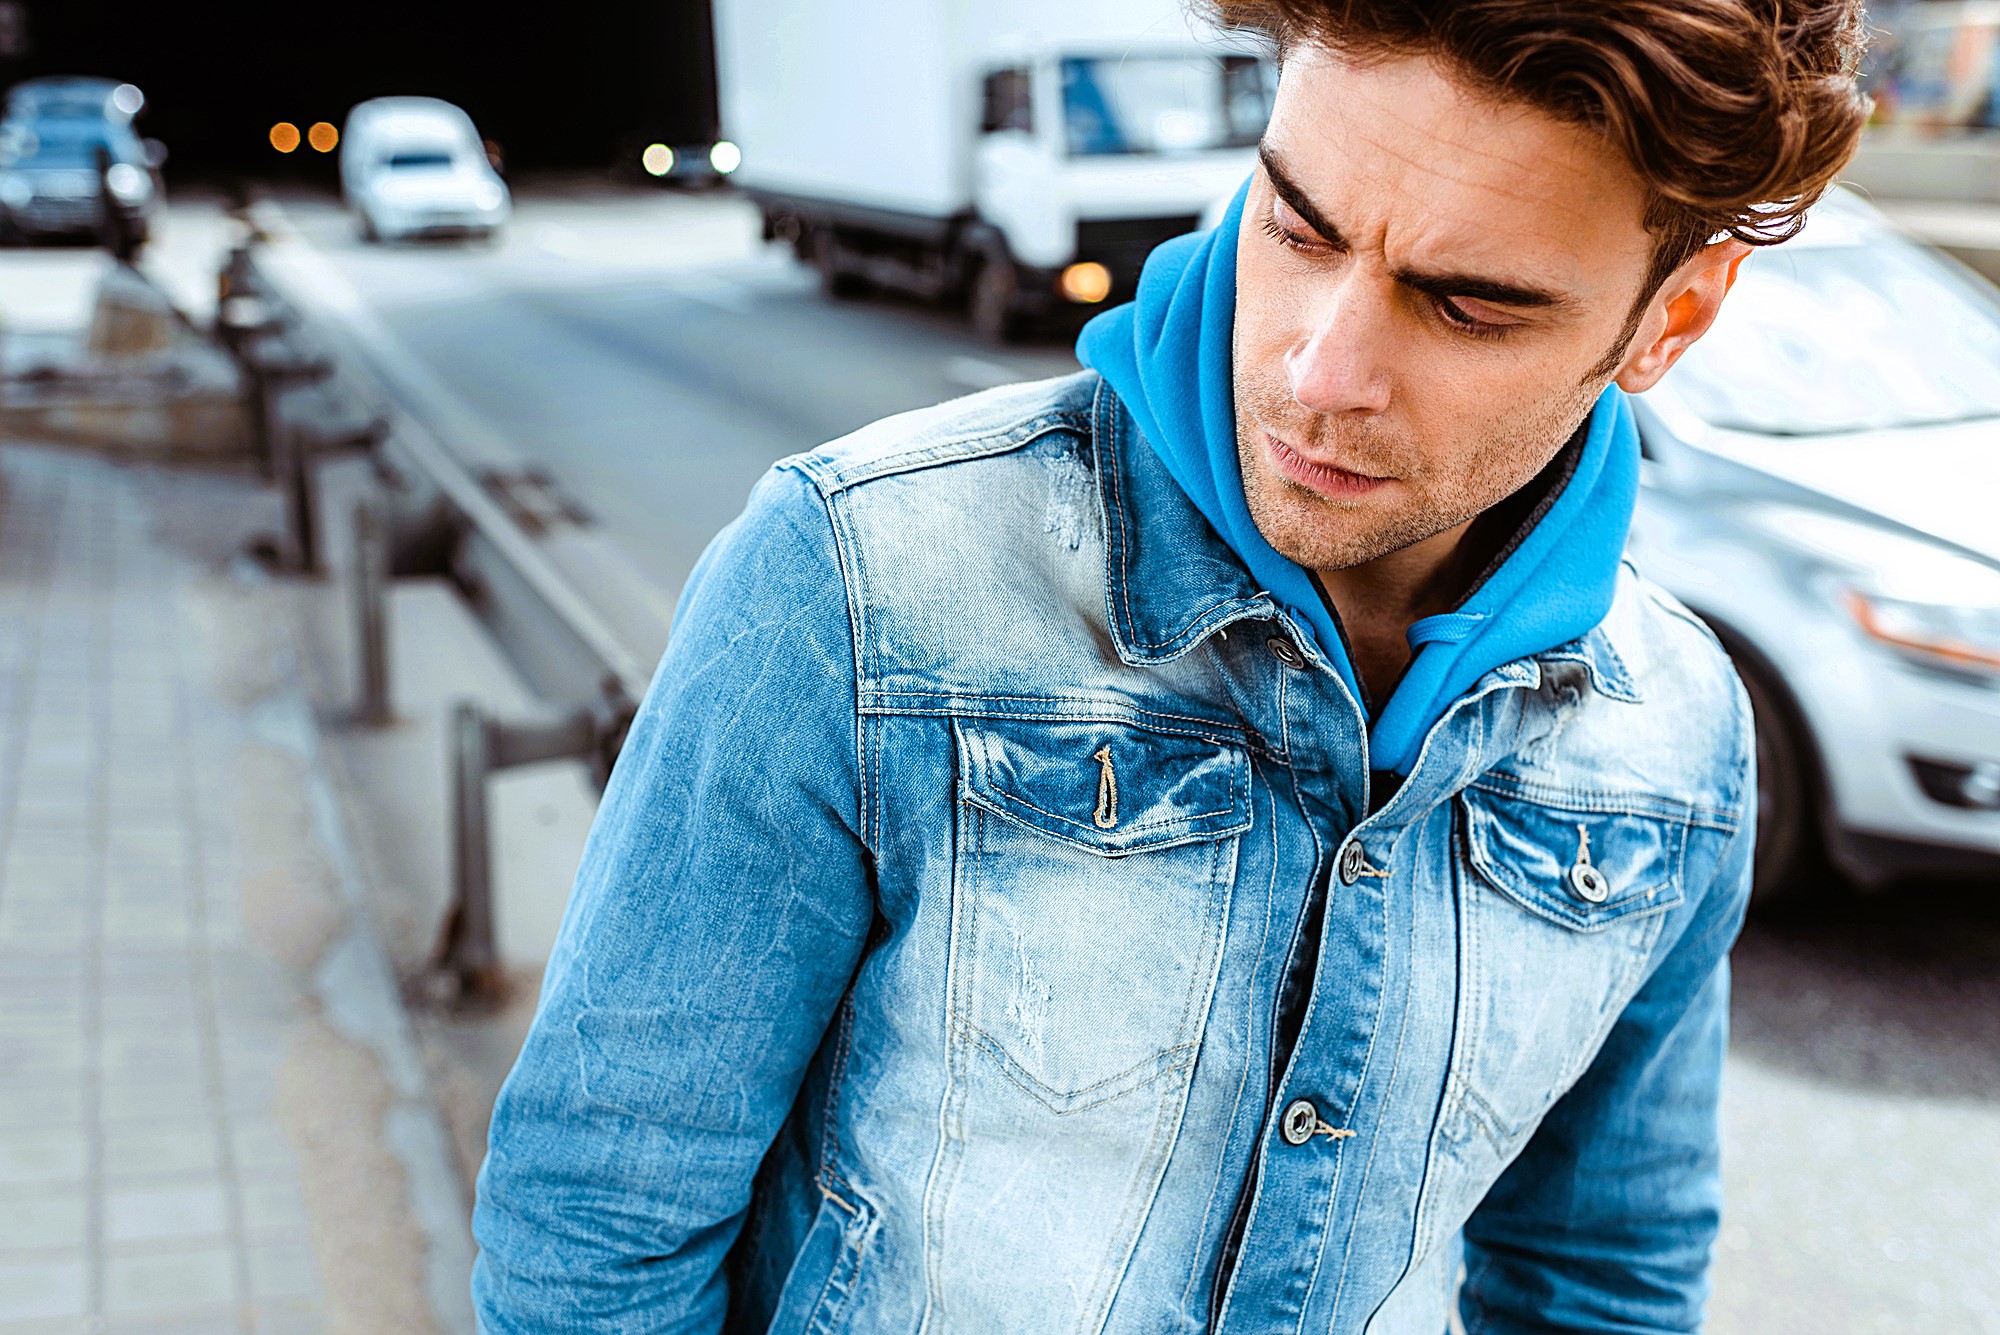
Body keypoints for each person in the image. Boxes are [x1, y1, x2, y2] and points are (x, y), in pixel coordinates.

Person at [471, 1, 1868, 1329]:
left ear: (1669, 322)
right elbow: (599, 1221)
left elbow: (1600, 1279)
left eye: (1468, 306)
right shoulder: (860, 575)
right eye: (1298, 226)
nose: (1321, 370)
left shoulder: (1678, 740)